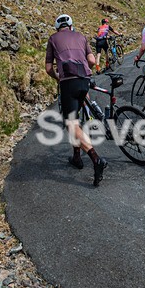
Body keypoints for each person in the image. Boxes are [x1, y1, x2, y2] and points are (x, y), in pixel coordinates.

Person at [45, 14, 108, 186]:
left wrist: (57, 77)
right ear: (71, 26)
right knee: (76, 120)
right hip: (84, 80)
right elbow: (91, 60)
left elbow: (48, 68)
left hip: (68, 82)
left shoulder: (53, 39)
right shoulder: (81, 36)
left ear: (57, 28)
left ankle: (96, 159)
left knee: (71, 124)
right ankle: (76, 157)